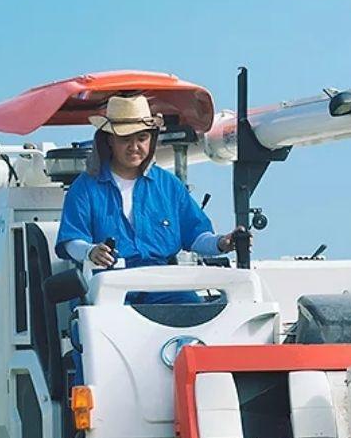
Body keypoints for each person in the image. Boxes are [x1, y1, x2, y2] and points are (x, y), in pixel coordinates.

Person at [55, 94, 247, 300]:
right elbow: (71, 241)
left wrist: (223, 243)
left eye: (142, 138)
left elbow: (195, 235)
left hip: (162, 284)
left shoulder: (169, 185)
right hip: (107, 287)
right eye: (125, 139)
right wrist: (90, 252)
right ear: (109, 140)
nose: (134, 146)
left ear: (152, 139)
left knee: (193, 308)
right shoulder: (84, 188)